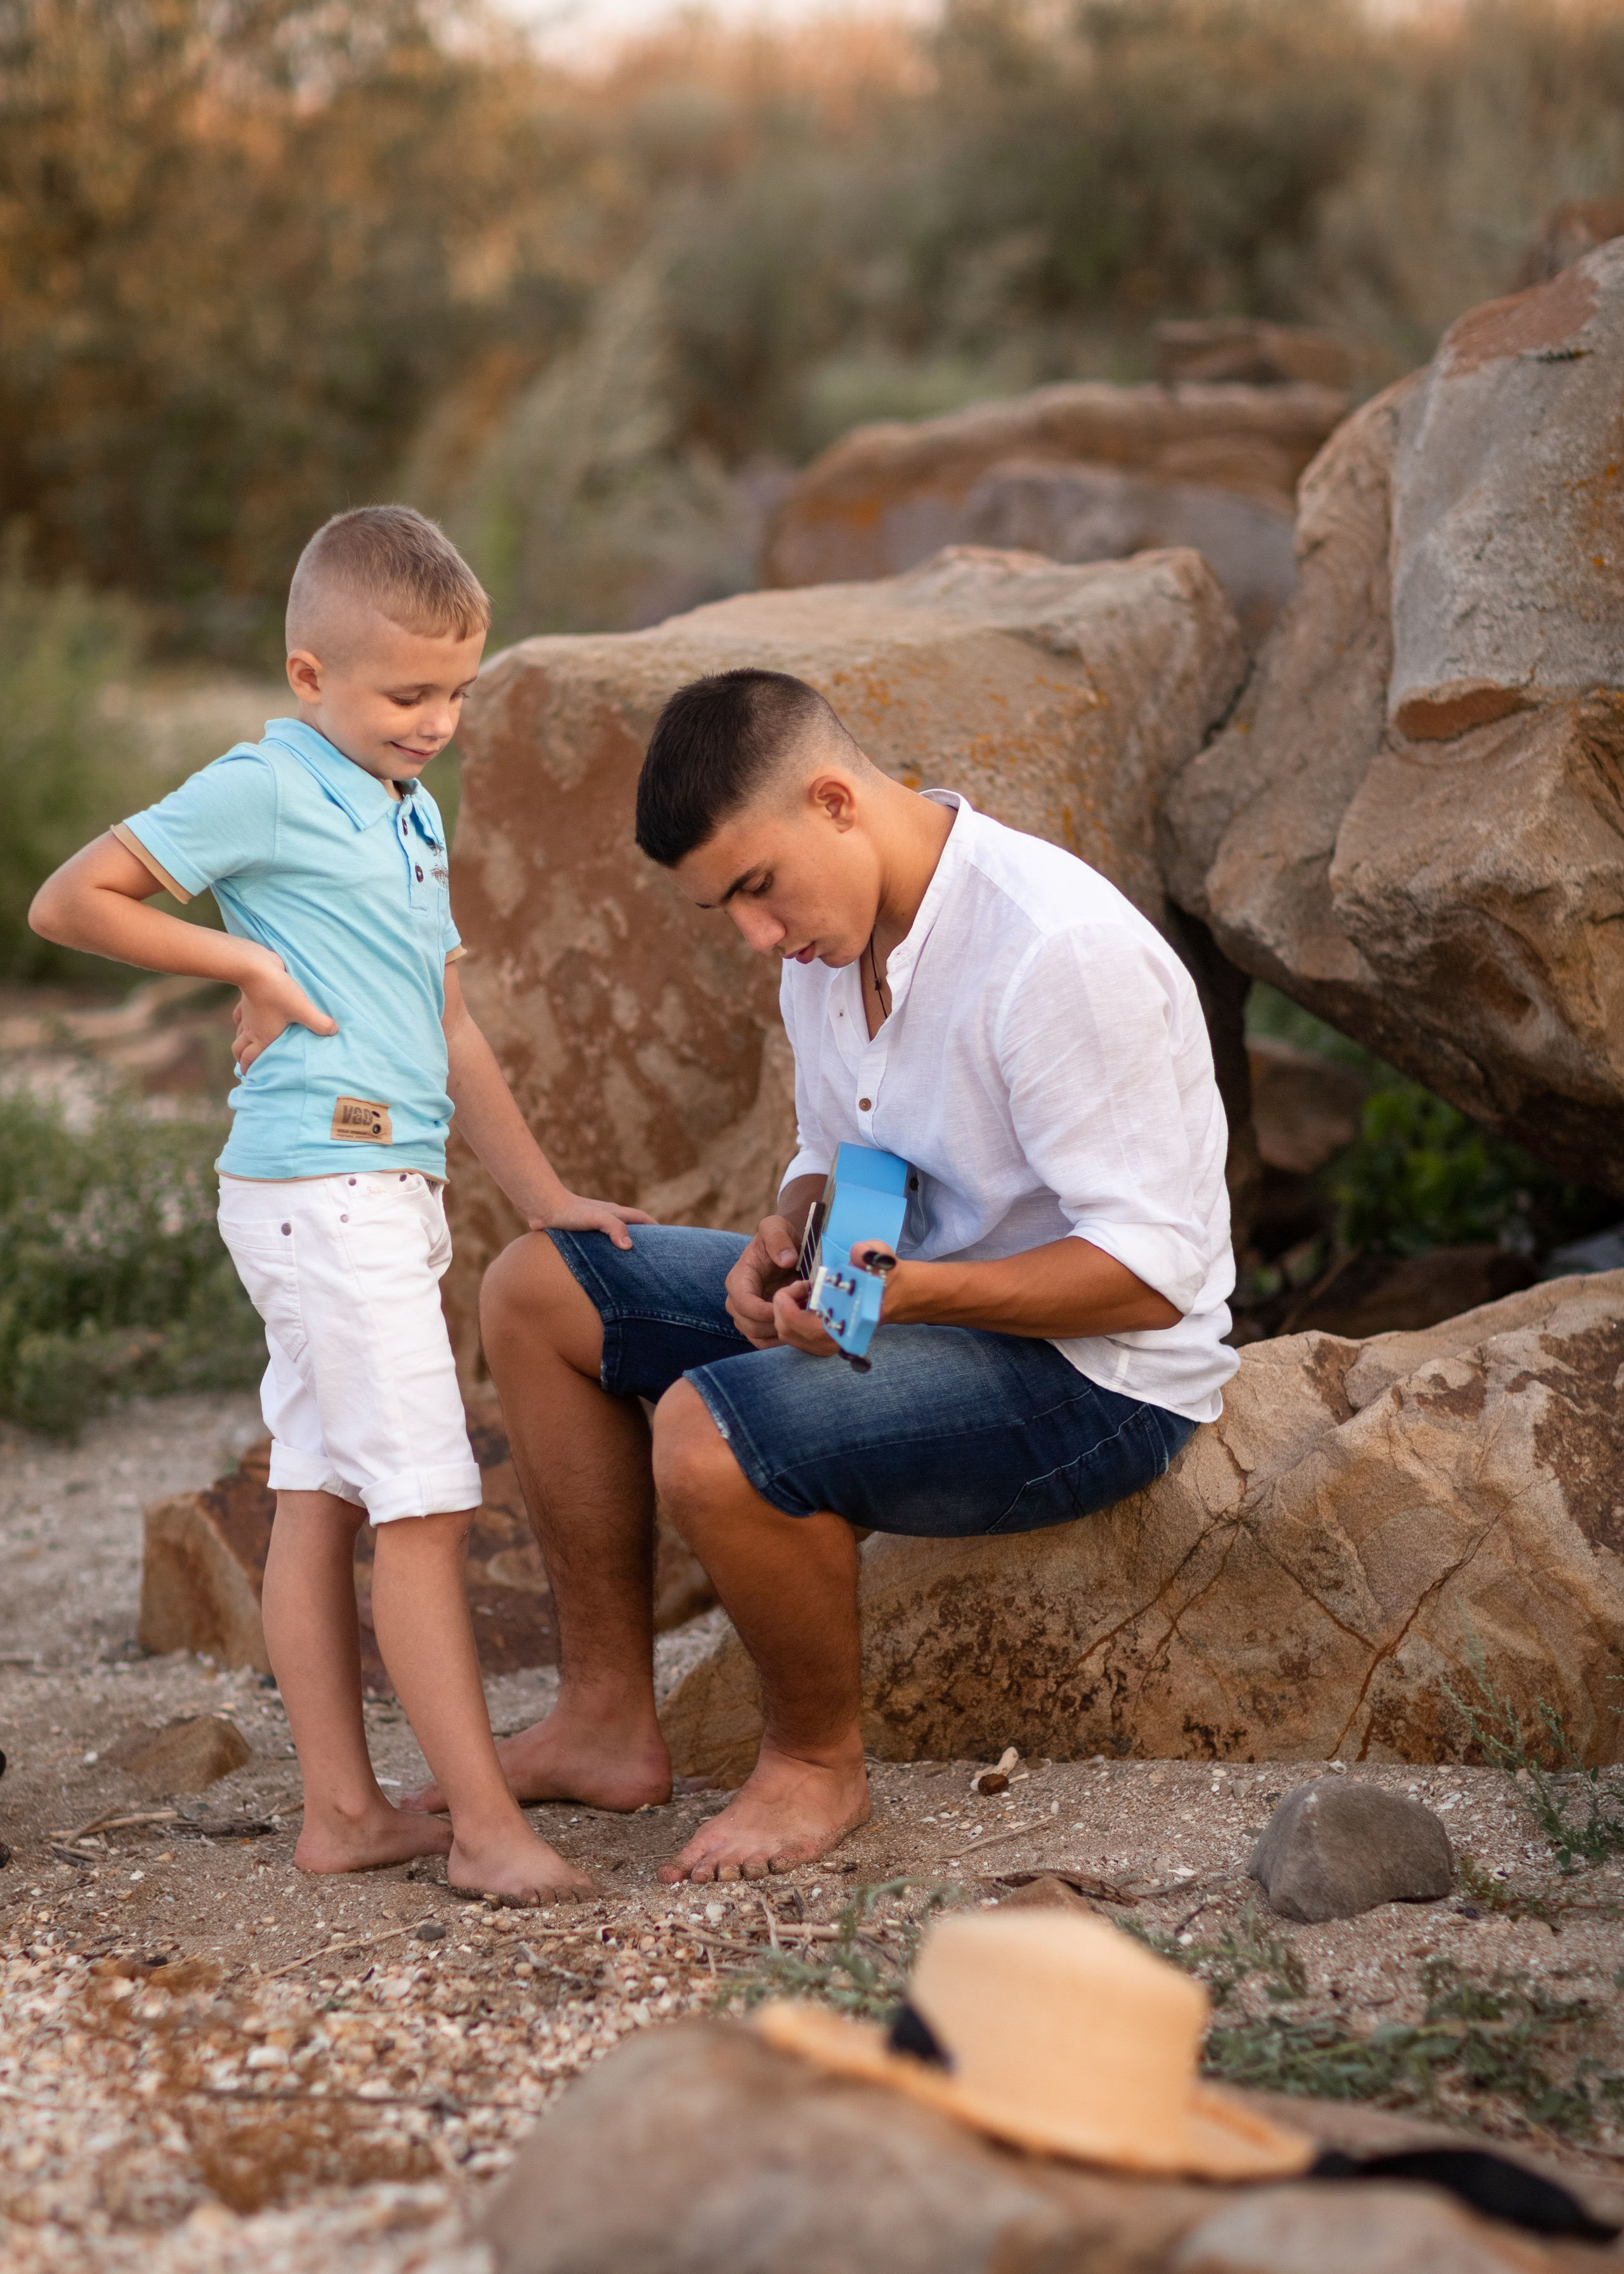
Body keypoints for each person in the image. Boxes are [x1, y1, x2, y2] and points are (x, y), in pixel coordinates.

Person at [403, 666, 1240, 1883]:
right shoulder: (828, 942)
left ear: (837, 801)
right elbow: (837, 1155)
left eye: (755, 887)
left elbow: (1151, 1278)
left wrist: (917, 1296)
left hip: (1094, 1381)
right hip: (916, 1305)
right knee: (539, 1288)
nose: (755, 935)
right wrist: (786, 1234)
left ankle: (814, 1765)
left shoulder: (1054, 953)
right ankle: (602, 1719)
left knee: (709, 1433)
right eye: (724, 910)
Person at [29, 504, 649, 1905]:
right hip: (324, 1188)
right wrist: (243, 963)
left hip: (379, 1189)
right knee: (424, 1506)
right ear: (310, 676)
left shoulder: (408, 806)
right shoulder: (266, 783)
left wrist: (544, 1194)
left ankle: (344, 1814)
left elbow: (449, 1024)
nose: (436, 721)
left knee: (317, 1491)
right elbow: (73, 901)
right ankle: (487, 1831)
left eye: (456, 693)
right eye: (406, 694)